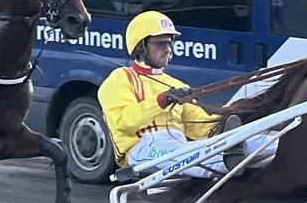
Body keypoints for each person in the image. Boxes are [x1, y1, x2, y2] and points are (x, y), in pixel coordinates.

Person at [97, 10, 276, 177]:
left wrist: (231, 119)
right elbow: (123, 123)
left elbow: (202, 129)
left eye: (169, 43)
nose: (167, 49)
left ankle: (288, 144)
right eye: (160, 43)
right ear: (141, 47)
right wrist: (162, 100)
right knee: (192, 153)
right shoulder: (121, 78)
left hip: (177, 145)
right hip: (141, 148)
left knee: (257, 140)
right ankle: (227, 161)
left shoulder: (175, 84)